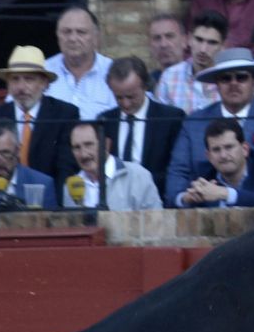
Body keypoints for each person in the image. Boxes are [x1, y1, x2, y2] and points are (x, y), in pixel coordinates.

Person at [166, 49, 254, 206]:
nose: (233, 83)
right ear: (217, 84)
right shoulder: (195, 122)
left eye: (241, 77)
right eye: (225, 78)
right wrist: (184, 198)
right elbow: (178, 173)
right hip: (206, 218)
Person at [0, 46, 80, 180]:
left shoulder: (64, 114)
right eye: (15, 79)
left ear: (45, 83)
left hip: (47, 197)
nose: (21, 87)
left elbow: (66, 168)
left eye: (29, 79)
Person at [101, 56, 185, 196]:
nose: (126, 104)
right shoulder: (105, 121)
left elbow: (176, 170)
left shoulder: (171, 119)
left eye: (131, 96)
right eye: (119, 98)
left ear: (145, 86)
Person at [177, 118, 254, 208]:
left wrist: (226, 194)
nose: (223, 155)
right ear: (209, 156)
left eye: (229, 147)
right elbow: (174, 202)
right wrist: (187, 199)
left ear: (245, 149)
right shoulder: (202, 173)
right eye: (216, 150)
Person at [61, 121, 162, 211]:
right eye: (76, 147)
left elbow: (157, 222)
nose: (83, 154)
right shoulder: (71, 186)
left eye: (88, 145)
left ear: (106, 144)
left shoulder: (137, 176)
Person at [44, 7, 115, 118]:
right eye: (66, 32)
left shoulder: (113, 72)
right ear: (57, 35)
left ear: (96, 37)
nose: (72, 38)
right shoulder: (42, 71)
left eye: (81, 32)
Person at [155, 11, 226, 113]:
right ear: (189, 39)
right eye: (199, 40)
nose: (203, 49)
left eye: (212, 42)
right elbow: (161, 123)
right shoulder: (169, 77)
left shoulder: (230, 80)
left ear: (222, 46)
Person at [146, 14, 188, 87]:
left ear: (184, 40)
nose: (163, 44)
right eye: (157, 38)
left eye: (169, 36)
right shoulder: (146, 86)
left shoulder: (200, 80)